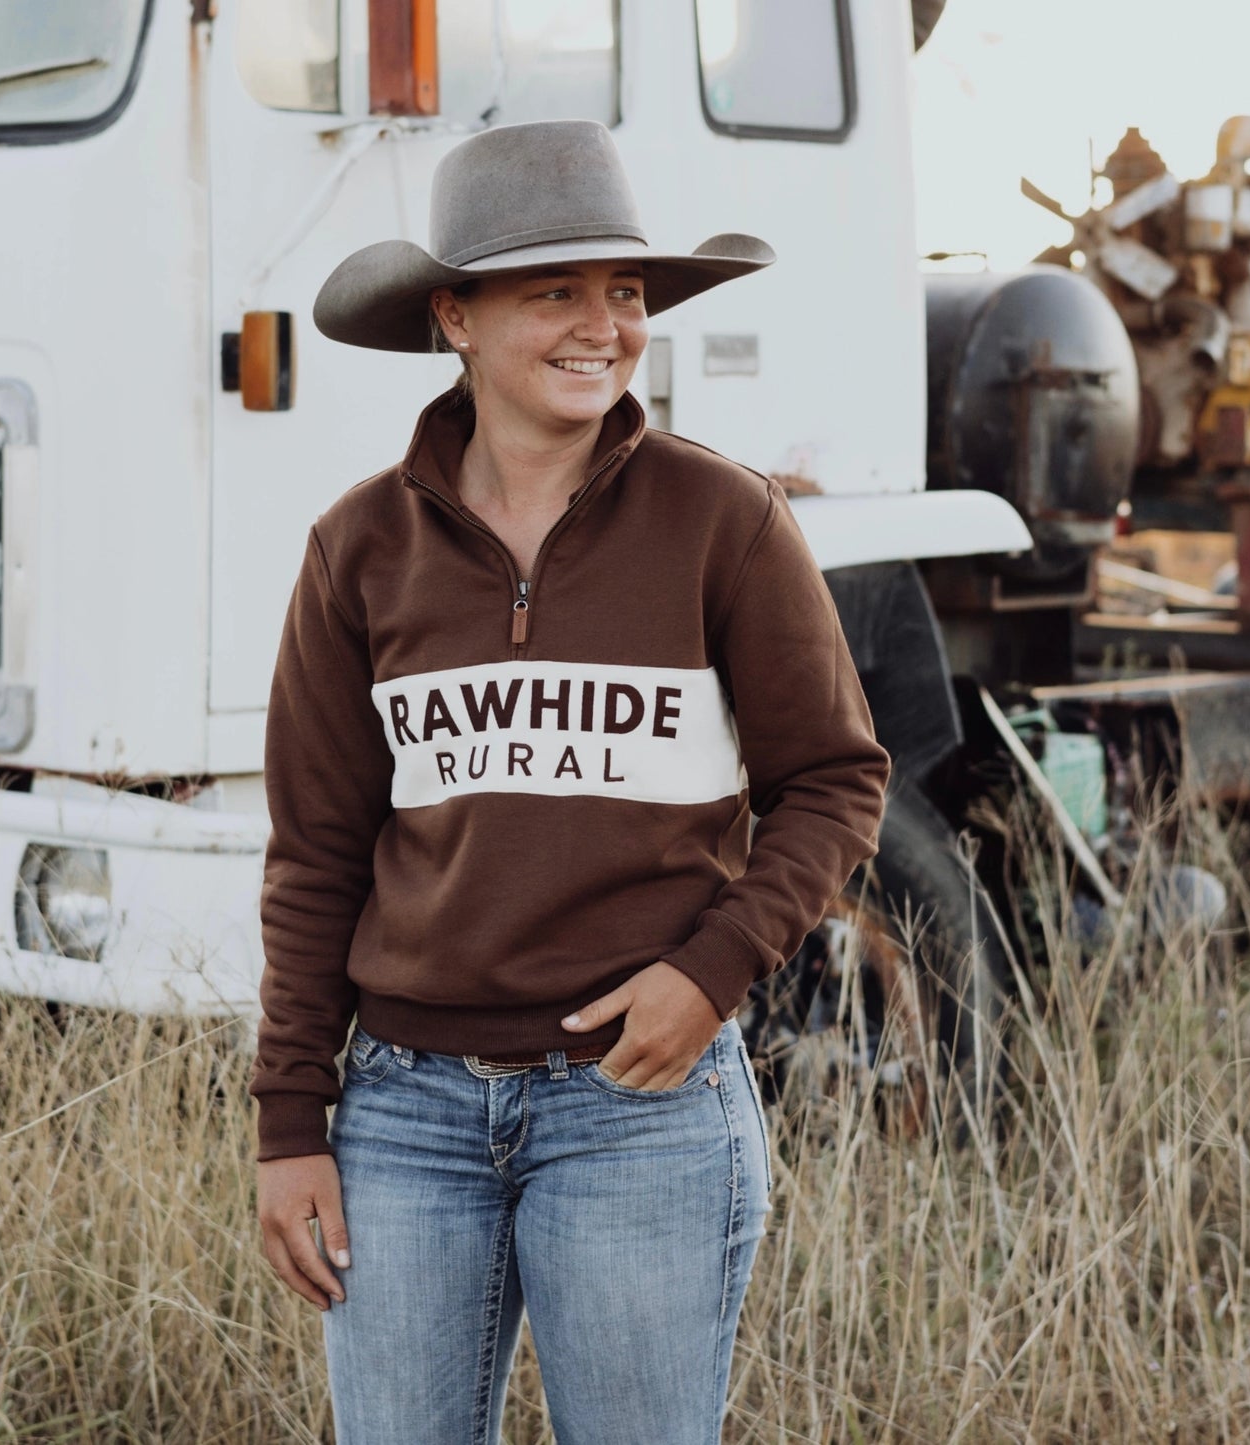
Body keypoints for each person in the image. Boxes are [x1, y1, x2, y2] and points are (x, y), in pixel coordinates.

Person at [251, 119, 890, 1445]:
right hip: (405, 1116)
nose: (602, 325)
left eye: (624, 291)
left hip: (638, 1111)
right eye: (554, 290)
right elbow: (314, 853)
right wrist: (288, 1123)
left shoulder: (726, 523)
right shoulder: (357, 549)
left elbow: (833, 779)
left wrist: (710, 970)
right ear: (455, 317)